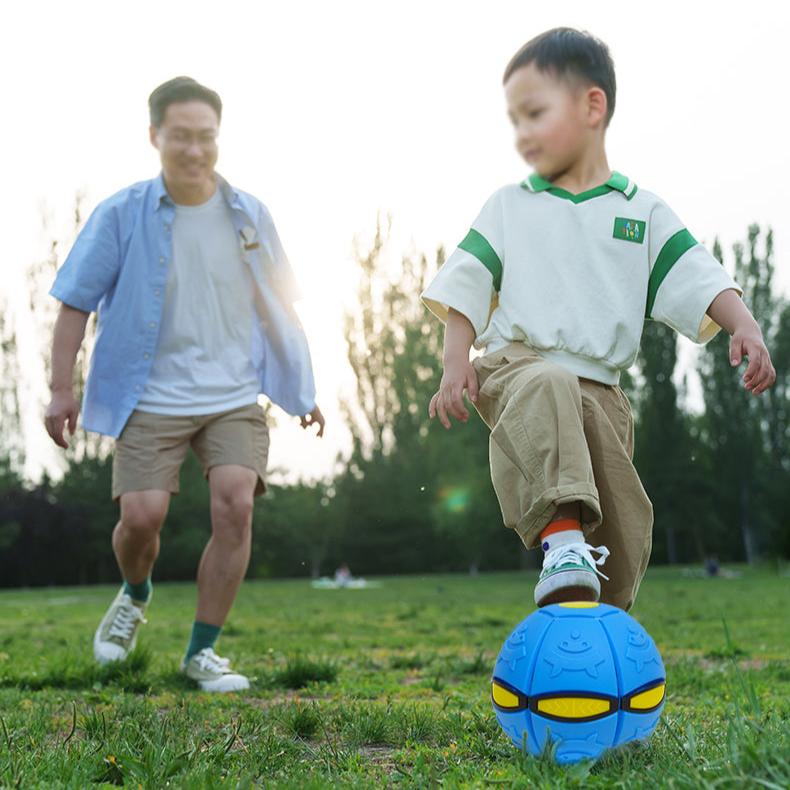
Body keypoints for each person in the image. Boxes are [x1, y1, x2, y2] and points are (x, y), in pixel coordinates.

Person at [421, 28, 776, 611]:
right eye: (516, 119)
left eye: (536, 113)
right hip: (518, 371)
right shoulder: (511, 205)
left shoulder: (640, 210)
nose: (523, 133)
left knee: (624, 529)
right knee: (549, 385)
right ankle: (560, 541)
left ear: (592, 106)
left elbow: (697, 274)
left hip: (601, 391)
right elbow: (466, 282)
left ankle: (597, 633)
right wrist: (455, 362)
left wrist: (745, 326)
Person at [44, 76, 325, 691]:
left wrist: (302, 391)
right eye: (181, 137)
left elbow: (282, 306)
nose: (195, 150)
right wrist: (61, 389)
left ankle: (202, 653)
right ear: (155, 137)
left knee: (235, 504)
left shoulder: (251, 213)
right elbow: (72, 303)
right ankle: (135, 593)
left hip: (232, 393)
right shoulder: (122, 214)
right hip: (149, 395)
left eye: (206, 138)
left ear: (217, 139)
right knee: (142, 519)